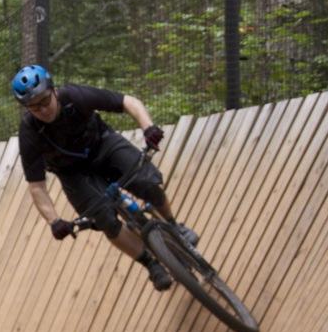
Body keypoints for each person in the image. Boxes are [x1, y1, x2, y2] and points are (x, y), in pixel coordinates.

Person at [11, 64, 196, 291]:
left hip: (103, 145)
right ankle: (151, 264)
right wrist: (55, 221)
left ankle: (174, 225)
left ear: (54, 90)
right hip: (74, 173)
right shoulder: (29, 131)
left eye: (44, 101)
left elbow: (128, 101)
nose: (42, 110)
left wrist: (148, 128)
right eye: (33, 107)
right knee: (105, 221)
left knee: (147, 183)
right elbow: (37, 186)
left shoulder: (75, 96)